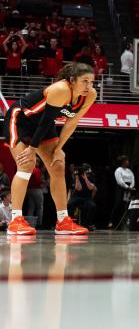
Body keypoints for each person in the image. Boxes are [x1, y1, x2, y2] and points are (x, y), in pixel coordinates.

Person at [2, 62, 96, 235]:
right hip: (20, 119)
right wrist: (31, 149)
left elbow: (72, 122)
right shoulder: (60, 89)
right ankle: (15, 221)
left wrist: (59, 148)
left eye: (91, 81)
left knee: (58, 166)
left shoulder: (90, 95)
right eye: (85, 81)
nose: (89, 86)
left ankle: (63, 221)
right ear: (72, 80)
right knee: (26, 165)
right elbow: (45, 122)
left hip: (42, 126)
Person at [68, 163, 98, 228]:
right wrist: (77, 178)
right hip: (77, 196)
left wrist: (86, 178)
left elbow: (91, 188)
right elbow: (78, 188)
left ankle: (86, 224)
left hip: (87, 197)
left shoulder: (92, 176)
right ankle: (72, 223)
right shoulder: (77, 176)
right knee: (70, 204)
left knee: (92, 206)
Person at [111, 155, 136, 229]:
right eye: (126, 160)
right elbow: (120, 181)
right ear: (122, 162)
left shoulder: (129, 170)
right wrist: (127, 187)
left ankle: (123, 222)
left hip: (129, 189)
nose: (128, 162)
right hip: (121, 188)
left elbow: (133, 179)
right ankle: (112, 221)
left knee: (126, 205)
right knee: (118, 204)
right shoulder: (118, 170)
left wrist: (131, 187)